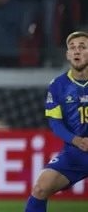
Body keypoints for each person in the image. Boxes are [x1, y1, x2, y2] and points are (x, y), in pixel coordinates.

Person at [25, 31, 88, 212]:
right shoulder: (58, 85)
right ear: (68, 55)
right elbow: (55, 123)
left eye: (82, 47)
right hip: (75, 152)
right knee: (40, 187)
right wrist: (76, 140)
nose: (77, 51)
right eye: (72, 48)